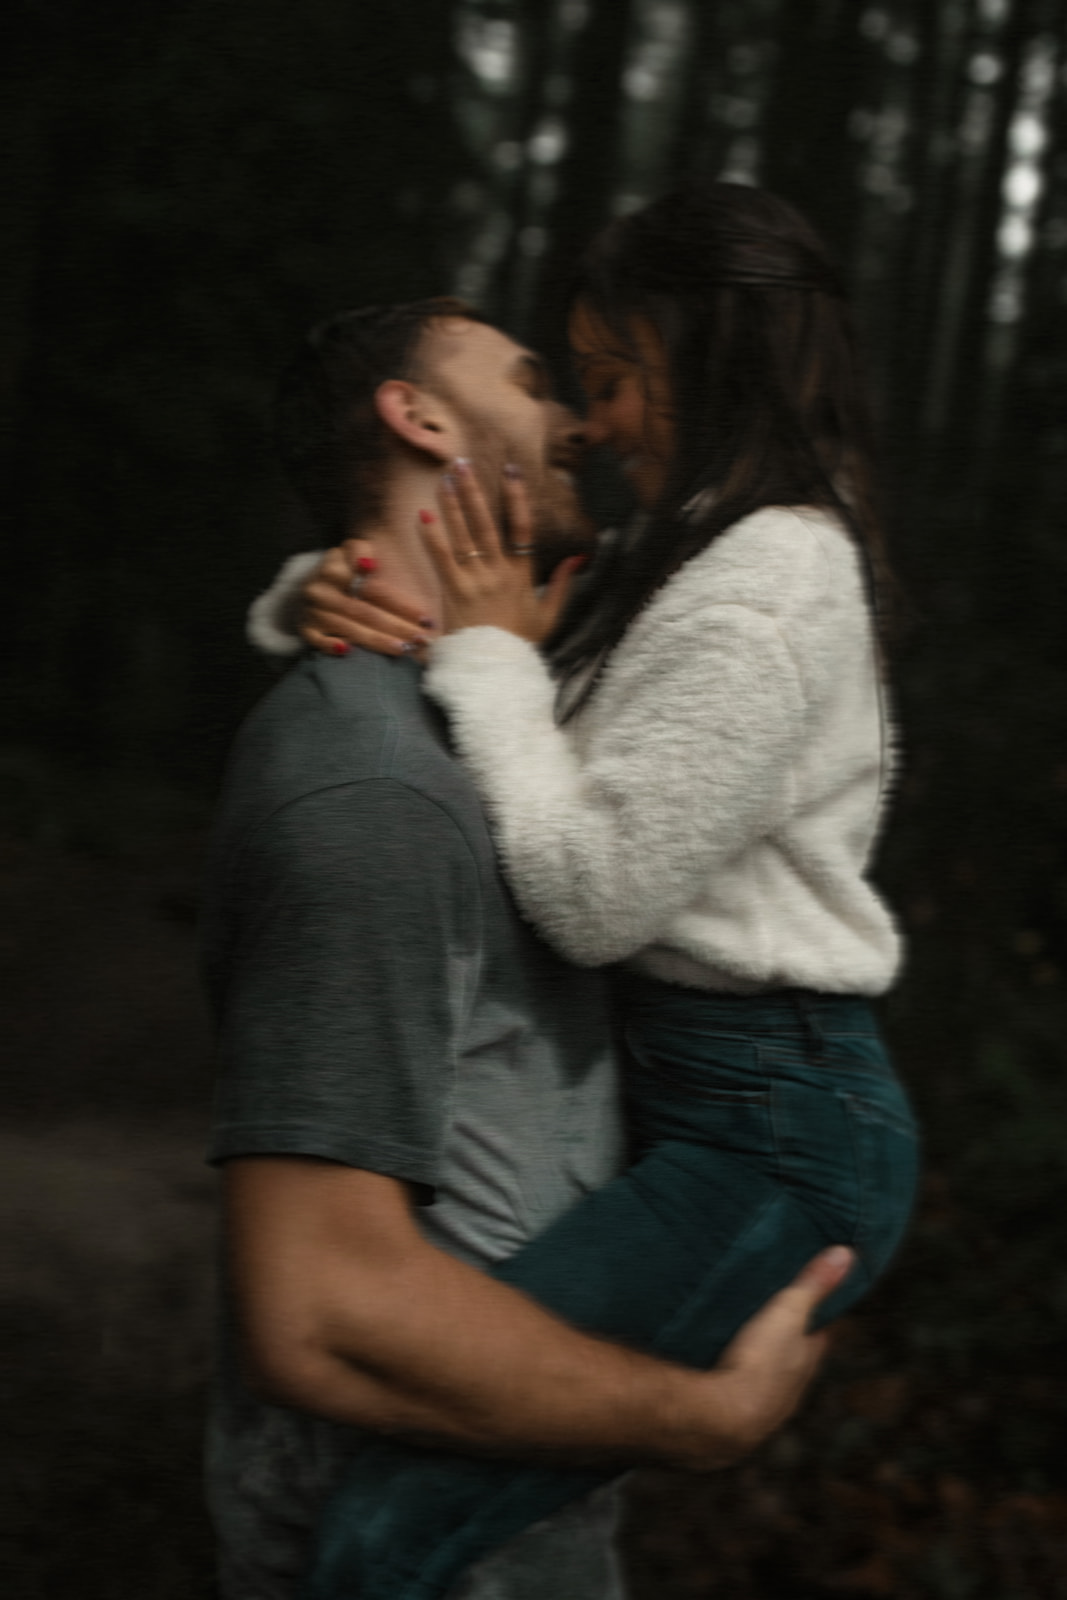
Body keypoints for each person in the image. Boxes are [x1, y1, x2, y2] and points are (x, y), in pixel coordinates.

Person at [262, 182, 920, 1600]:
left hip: (775, 1131)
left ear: (708, 352)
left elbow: (593, 893)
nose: (594, 421)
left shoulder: (771, 582)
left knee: (387, 1533)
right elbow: (496, 629)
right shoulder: (686, 556)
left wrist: (491, 659)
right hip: (710, 1092)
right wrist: (319, 593)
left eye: (613, 376)